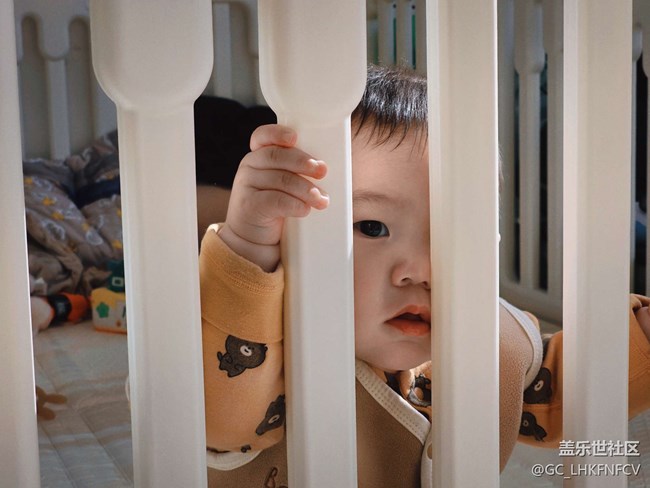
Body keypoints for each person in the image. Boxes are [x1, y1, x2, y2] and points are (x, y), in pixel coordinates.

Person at [199, 64, 650, 487]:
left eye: (452, 236)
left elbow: (555, 393)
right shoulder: (273, 345)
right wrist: (250, 248)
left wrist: (640, 338)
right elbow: (223, 420)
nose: (421, 270)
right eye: (372, 227)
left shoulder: (488, 338)